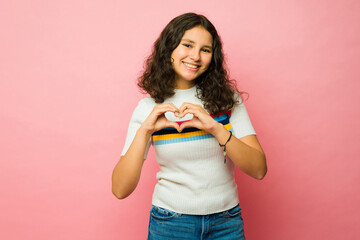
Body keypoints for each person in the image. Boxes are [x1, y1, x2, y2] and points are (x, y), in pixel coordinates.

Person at [112, 12, 267, 239]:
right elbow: (120, 189)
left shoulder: (227, 99)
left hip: (227, 224)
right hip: (170, 224)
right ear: (170, 49)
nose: (195, 56)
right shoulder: (148, 108)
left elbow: (259, 169)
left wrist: (216, 128)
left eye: (205, 50)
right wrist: (144, 132)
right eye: (187, 45)